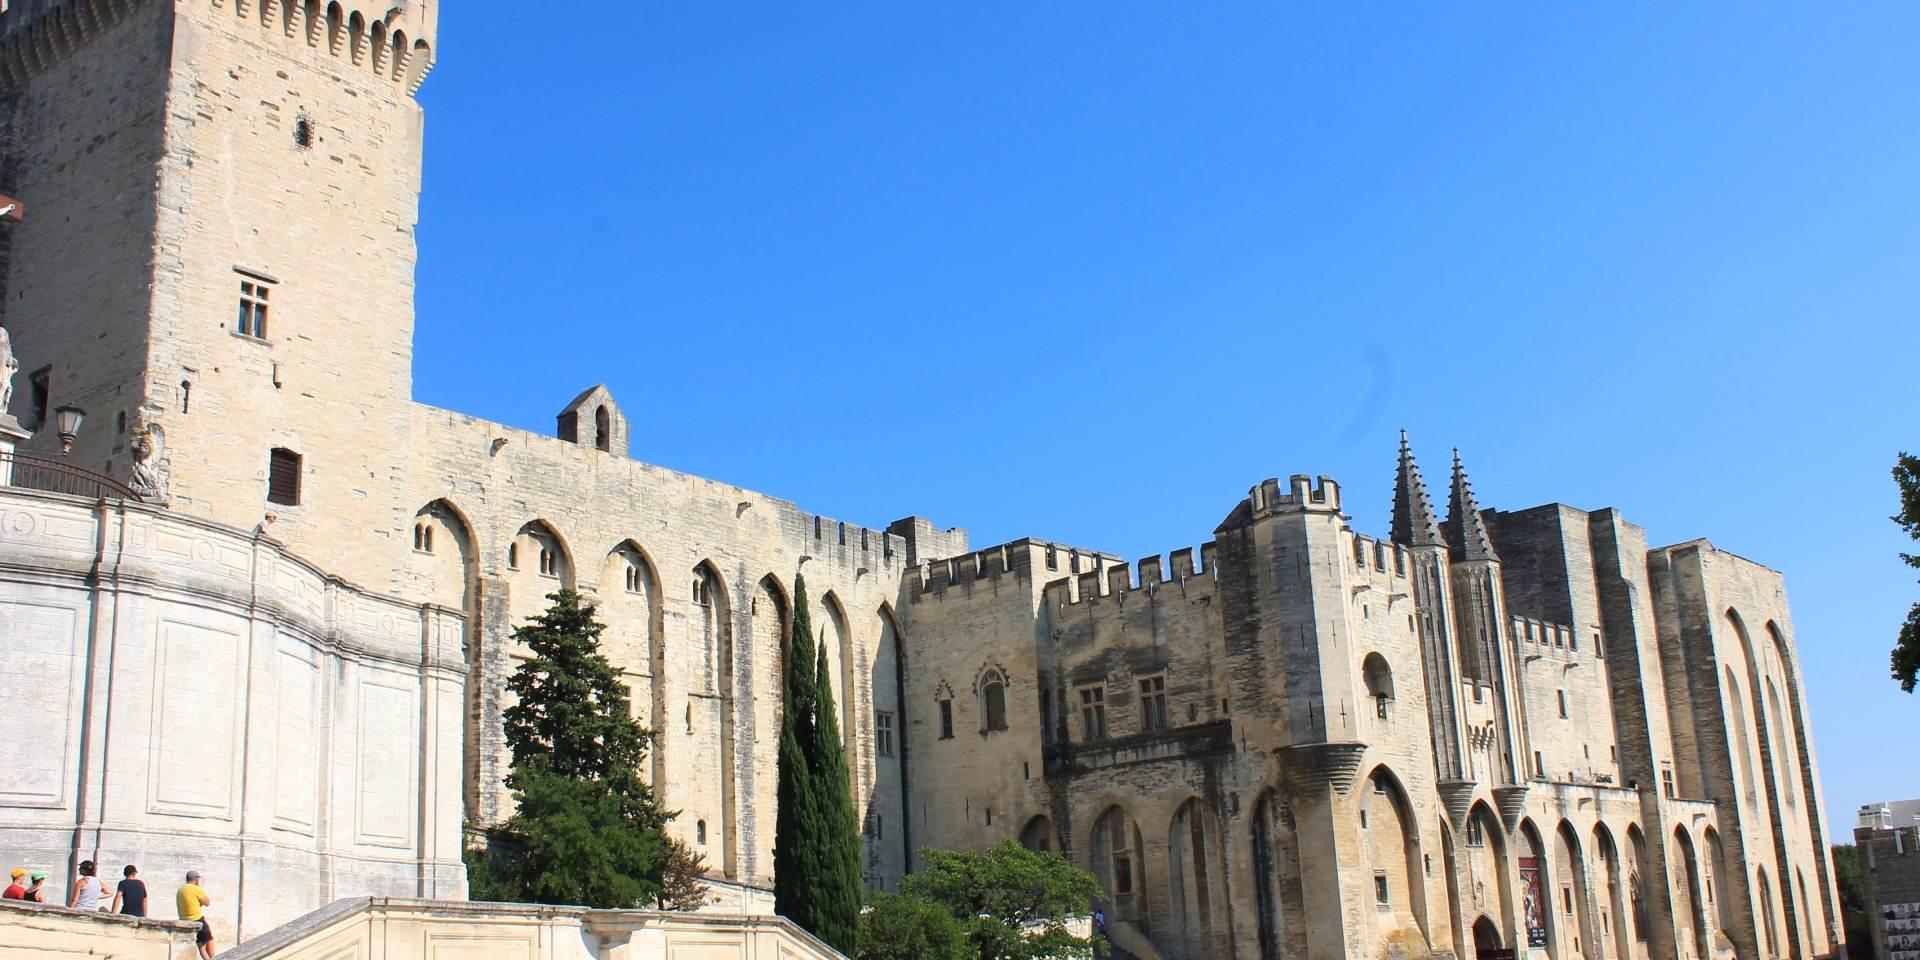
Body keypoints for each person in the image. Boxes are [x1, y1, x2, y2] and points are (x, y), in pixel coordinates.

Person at [177, 870, 213, 959]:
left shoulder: (181, 889)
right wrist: (200, 888)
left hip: (184, 920)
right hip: (197, 919)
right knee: (209, 939)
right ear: (196, 879)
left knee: (200, 944)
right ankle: (213, 958)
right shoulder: (195, 889)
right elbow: (207, 902)